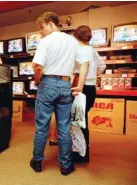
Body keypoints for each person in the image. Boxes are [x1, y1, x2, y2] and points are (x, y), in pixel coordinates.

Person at [29, 12, 89, 176]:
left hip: (47, 84)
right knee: (64, 128)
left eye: (42, 27)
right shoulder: (72, 41)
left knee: (42, 127)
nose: (41, 32)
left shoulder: (45, 41)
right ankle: (66, 166)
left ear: (49, 23)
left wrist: (36, 81)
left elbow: (38, 67)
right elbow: (85, 63)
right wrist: (80, 86)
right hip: (65, 85)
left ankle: (37, 162)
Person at [72, 25, 106, 163]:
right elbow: (102, 67)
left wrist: (82, 81)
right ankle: (83, 151)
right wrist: (93, 76)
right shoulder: (92, 50)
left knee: (77, 121)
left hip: (81, 88)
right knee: (82, 119)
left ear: (76, 36)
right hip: (91, 89)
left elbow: (77, 71)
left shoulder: (80, 50)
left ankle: (81, 153)